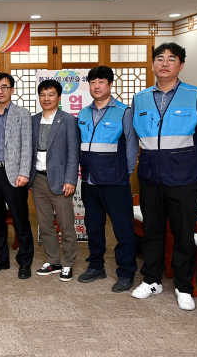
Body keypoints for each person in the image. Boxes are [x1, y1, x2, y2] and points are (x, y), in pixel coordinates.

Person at [131, 42, 197, 310]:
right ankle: (151, 280)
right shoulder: (140, 98)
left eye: (171, 59)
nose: (165, 63)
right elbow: (135, 135)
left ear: (181, 65)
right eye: (160, 59)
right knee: (152, 231)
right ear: (153, 64)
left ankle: (184, 286)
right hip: (150, 175)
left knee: (183, 233)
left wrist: (189, 160)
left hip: (184, 177)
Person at [77, 65, 138, 293]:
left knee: (123, 229)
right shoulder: (83, 113)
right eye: (93, 82)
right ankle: (96, 266)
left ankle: (126, 272)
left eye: (101, 82)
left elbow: (132, 145)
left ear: (110, 84)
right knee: (93, 226)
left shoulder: (124, 111)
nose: (97, 86)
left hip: (115, 182)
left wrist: (125, 173)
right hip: (89, 181)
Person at [0, 72, 34, 279]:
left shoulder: (22, 114)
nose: (0, 91)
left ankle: (25, 261)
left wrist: (24, 172)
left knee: (20, 219)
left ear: (12, 90)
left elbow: (27, 145)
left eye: (4, 87)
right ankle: (1, 258)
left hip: (14, 174)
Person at [30, 80, 80, 281]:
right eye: (43, 95)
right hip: (38, 179)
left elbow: (73, 153)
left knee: (65, 224)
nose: (46, 98)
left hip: (61, 180)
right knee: (45, 224)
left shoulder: (68, 120)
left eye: (51, 94)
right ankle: (53, 260)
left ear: (59, 97)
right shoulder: (33, 120)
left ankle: (68, 263)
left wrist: (71, 180)